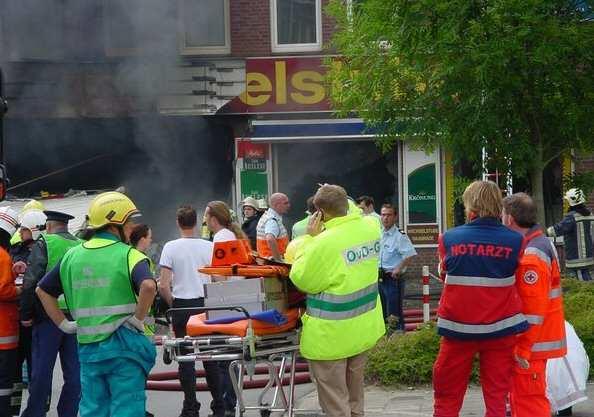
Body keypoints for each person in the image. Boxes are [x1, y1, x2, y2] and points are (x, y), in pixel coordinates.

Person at [35, 191, 157, 417]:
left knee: (92, 408)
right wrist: (138, 320)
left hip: (89, 349)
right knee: (126, 409)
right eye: (128, 222)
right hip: (124, 348)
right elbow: (149, 287)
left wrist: (64, 325)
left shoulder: (72, 256)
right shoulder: (129, 255)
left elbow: (42, 290)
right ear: (115, 224)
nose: (131, 227)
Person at [433, 180, 528, 417]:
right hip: (501, 331)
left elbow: (444, 273)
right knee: (497, 398)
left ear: (470, 206)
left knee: (447, 396)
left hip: (457, 331)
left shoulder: (449, 239)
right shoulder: (517, 241)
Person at [289, 184, 385, 417]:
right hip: (362, 329)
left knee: (335, 404)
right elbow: (351, 211)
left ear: (319, 213)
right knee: (355, 398)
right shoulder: (371, 227)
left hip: (331, 337)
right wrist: (335, 194)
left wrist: (309, 240)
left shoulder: (323, 243)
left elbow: (302, 279)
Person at [502, 193, 567, 417]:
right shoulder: (538, 244)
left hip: (532, 346)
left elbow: (533, 309)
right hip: (537, 342)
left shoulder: (532, 254)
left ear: (509, 218)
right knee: (525, 400)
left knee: (529, 402)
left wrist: (523, 348)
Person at [158, 205, 224, 417]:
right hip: (204, 305)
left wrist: (172, 304)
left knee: (185, 359)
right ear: (196, 223)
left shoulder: (170, 247)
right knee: (210, 358)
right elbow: (218, 280)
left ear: (178, 223)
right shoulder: (209, 246)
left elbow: (163, 285)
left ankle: (190, 407)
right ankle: (219, 407)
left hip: (182, 306)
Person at [20, 211, 82, 417]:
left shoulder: (45, 242)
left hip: (48, 316)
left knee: (41, 372)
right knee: (75, 374)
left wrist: (26, 314)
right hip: (76, 316)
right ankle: (68, 413)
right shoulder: (80, 244)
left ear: (49, 226)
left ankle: (35, 413)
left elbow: (31, 281)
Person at [204, 201, 248, 416]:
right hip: (235, 300)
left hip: (225, 302)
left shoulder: (221, 237)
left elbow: (220, 274)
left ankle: (228, 406)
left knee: (224, 357)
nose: (204, 220)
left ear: (213, 218)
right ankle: (231, 402)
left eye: (206, 216)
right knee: (231, 357)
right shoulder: (231, 235)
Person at [8, 209, 45, 411]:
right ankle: (13, 409)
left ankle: (38, 409)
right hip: (18, 317)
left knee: (37, 368)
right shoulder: (16, 251)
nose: (20, 233)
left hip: (37, 317)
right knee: (14, 368)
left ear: (33, 229)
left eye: (23, 229)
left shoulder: (44, 250)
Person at [378, 203, 417, 329]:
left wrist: (398, 269)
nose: (385, 218)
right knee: (382, 312)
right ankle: (385, 340)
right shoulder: (379, 234)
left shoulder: (400, 236)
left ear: (395, 217)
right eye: (383, 215)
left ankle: (398, 339)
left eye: (389, 215)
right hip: (380, 278)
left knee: (394, 313)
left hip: (392, 279)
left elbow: (409, 254)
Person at [0, 206, 21, 417]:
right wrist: (20, 289)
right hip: (4, 332)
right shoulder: (3, 256)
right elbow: (3, 290)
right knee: (5, 379)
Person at [547, 188, 593, 281]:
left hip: (576, 259)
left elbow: (555, 231)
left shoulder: (571, 217)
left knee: (580, 286)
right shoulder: (590, 215)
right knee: (588, 283)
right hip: (590, 257)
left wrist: (544, 230)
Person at [546, 321, 589, 416]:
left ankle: (563, 408)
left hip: (560, 361)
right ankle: (565, 408)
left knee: (560, 382)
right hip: (572, 360)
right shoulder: (564, 323)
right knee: (565, 384)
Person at [256, 193, 290, 261]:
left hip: (267, 261)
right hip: (272, 263)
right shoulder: (272, 220)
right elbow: (270, 239)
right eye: (285, 203)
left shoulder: (268, 216)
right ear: (276, 205)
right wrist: (278, 260)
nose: (288, 205)